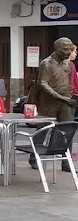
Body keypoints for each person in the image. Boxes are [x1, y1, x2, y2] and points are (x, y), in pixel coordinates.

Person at [27, 37, 78, 170]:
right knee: (43, 129)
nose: (68, 52)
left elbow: (70, 81)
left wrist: (71, 95)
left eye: (70, 49)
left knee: (66, 131)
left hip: (66, 101)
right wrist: (58, 96)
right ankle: (34, 156)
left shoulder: (69, 63)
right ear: (57, 49)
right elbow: (42, 83)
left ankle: (65, 161)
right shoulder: (47, 63)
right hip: (48, 101)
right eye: (65, 49)